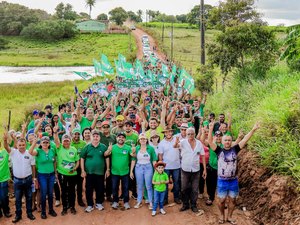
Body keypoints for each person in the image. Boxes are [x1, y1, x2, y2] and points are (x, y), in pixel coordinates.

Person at [208, 121, 260, 224]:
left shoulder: (235, 149)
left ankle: (230, 217)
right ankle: (222, 216)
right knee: (221, 201)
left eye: (229, 140)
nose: (227, 142)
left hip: (233, 180)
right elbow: (209, 141)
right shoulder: (219, 150)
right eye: (225, 140)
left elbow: (245, 139)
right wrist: (210, 129)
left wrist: (253, 130)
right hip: (222, 180)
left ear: (231, 141)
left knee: (233, 200)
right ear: (222, 142)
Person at [3, 134, 36, 223]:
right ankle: (18, 215)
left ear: (26, 145)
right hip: (17, 181)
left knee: (29, 197)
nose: (21, 146)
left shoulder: (29, 153)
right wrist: (5, 140)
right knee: (18, 199)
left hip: (28, 179)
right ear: (17, 145)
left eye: (23, 145)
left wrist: (34, 178)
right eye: (20, 145)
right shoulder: (13, 152)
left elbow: (33, 166)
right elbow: (6, 147)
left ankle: (29, 213)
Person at [174, 127, 206, 213]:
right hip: (185, 169)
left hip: (196, 170)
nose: (190, 135)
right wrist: (176, 141)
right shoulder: (183, 142)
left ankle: (193, 205)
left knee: (195, 189)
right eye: (188, 134)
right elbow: (175, 146)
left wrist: (205, 170)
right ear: (186, 134)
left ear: (195, 134)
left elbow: (202, 156)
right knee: (184, 188)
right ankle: (185, 204)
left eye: (192, 134)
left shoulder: (199, 143)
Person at [104, 132, 135, 210]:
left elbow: (133, 157)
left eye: (122, 137)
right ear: (116, 138)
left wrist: (133, 152)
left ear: (125, 139)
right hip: (115, 172)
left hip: (125, 171)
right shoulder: (113, 147)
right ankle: (115, 201)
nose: (121, 138)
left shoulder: (128, 147)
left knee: (125, 187)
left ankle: (126, 202)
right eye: (119, 137)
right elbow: (105, 155)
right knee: (114, 187)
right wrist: (108, 150)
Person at [80, 129, 110, 212]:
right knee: (89, 189)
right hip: (89, 172)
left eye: (97, 136)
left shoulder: (103, 147)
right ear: (91, 137)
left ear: (99, 137)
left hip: (100, 172)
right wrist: (83, 170)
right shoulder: (87, 147)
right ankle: (90, 204)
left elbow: (107, 158)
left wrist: (108, 169)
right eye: (94, 136)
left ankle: (99, 203)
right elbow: (82, 158)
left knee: (100, 188)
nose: (95, 137)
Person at [28, 136, 57, 219]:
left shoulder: (52, 150)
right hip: (42, 175)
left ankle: (51, 210)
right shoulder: (38, 151)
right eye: (43, 142)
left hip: (51, 175)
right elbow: (30, 152)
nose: (45, 143)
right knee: (43, 193)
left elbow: (54, 161)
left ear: (49, 143)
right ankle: (43, 212)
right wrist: (34, 142)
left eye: (47, 142)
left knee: (50, 193)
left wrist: (55, 173)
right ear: (40, 143)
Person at [54, 128, 80, 216]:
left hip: (73, 174)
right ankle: (65, 207)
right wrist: (55, 132)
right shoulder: (59, 147)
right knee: (64, 191)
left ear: (70, 141)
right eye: (64, 141)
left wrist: (75, 168)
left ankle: (72, 207)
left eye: (67, 140)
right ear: (62, 142)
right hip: (62, 173)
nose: (66, 142)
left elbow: (77, 161)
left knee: (72, 191)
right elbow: (56, 140)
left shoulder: (73, 149)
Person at [130, 133, 157, 209]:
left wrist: (156, 170)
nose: (143, 140)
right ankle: (139, 201)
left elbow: (154, 160)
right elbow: (133, 159)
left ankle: (151, 202)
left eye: (144, 139)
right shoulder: (136, 148)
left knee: (148, 185)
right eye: (141, 139)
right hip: (138, 167)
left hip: (148, 167)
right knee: (139, 185)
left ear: (147, 140)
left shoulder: (151, 148)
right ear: (139, 140)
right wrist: (131, 171)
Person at [158, 127, 181, 205]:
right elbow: (160, 155)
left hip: (176, 166)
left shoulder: (177, 140)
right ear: (164, 133)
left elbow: (180, 149)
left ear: (172, 132)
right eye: (166, 132)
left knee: (176, 183)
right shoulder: (161, 143)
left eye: (170, 132)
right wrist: (161, 165)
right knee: (165, 183)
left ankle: (176, 198)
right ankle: (165, 199)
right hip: (166, 166)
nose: (168, 133)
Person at [70, 128, 87, 207]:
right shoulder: (69, 143)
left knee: (80, 185)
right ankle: (71, 200)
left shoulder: (83, 143)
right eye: (75, 134)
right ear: (72, 135)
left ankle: (80, 200)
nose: (76, 135)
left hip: (80, 167)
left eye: (78, 134)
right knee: (71, 185)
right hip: (71, 167)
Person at [0, 140, 12, 219]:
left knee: (4, 197)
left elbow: (11, 145)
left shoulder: (4, 152)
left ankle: (6, 211)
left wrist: (5, 139)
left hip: (4, 179)